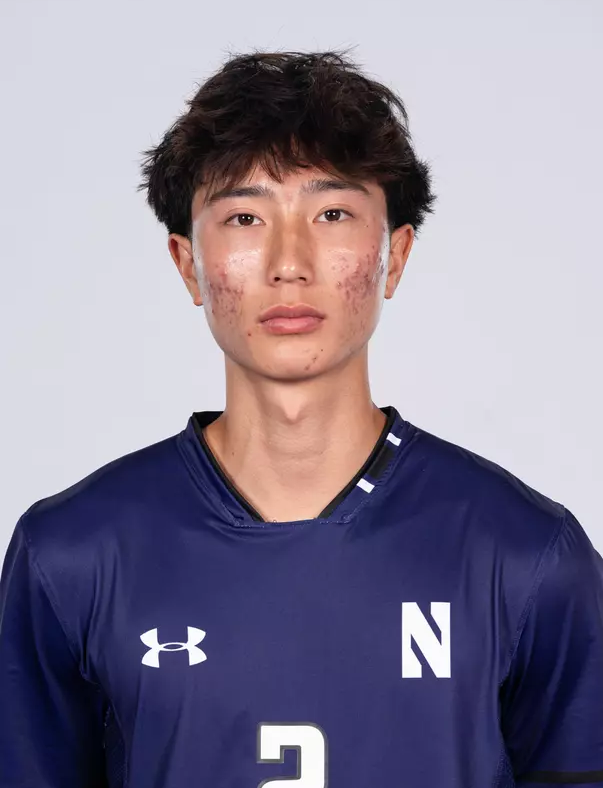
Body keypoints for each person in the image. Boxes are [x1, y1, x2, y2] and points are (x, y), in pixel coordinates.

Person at [1, 49, 602, 788]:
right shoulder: (70, 555)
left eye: (332, 213)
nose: (290, 261)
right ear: (188, 262)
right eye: (246, 216)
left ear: (394, 256)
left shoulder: (527, 556)